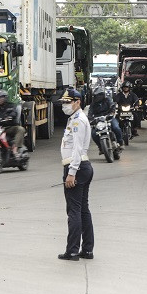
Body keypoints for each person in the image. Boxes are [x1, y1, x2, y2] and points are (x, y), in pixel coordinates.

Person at [58, 88, 94, 261]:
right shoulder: (74, 118)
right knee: (83, 210)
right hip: (82, 167)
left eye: (68, 102)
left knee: (74, 211)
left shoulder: (78, 120)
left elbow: (78, 149)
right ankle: (87, 249)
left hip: (77, 167)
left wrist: (71, 172)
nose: (64, 105)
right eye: (63, 102)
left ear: (77, 102)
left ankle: (72, 251)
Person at [0, 90, 26, 157]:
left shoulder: (11, 106)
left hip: (8, 127)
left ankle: (15, 149)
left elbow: (14, 113)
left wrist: (9, 117)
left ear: (5, 98)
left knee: (20, 129)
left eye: (1, 97)